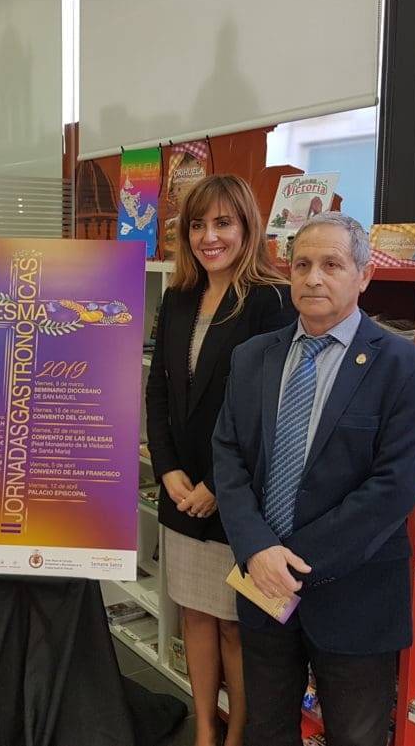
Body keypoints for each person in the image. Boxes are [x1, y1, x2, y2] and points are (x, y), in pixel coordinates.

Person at [213, 212, 415, 746]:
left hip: (355, 597)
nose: (313, 278)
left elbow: (393, 490)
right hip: (262, 588)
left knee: (356, 736)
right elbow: (228, 456)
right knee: (266, 730)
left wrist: (285, 562)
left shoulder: (410, 369)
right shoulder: (252, 358)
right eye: (302, 265)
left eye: (332, 265)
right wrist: (257, 550)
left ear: (364, 276)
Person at [146, 174, 296, 746]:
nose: (209, 237)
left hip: (238, 496)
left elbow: (272, 411)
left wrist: (217, 484)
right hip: (181, 489)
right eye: (198, 225)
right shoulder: (180, 296)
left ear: (247, 227)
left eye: (223, 223)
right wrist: (167, 469)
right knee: (194, 614)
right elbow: (159, 390)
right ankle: (206, 727)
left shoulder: (272, 301)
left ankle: (238, 736)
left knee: (236, 626)